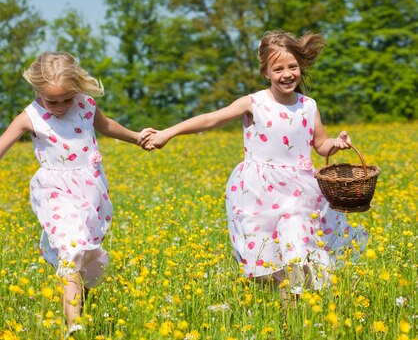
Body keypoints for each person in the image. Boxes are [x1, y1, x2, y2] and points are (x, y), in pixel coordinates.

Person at [143, 31, 368, 300]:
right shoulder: (254, 103)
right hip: (258, 193)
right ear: (266, 73)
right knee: (264, 267)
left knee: (297, 253)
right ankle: (286, 301)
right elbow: (211, 119)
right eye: (278, 69)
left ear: (301, 66)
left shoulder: (308, 106)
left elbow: (320, 145)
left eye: (293, 67)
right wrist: (169, 132)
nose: (287, 74)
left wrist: (337, 142)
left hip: (299, 194)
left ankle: (293, 318)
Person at [0, 51, 151, 334]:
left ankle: (80, 314)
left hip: (91, 191)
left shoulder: (86, 104)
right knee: (71, 250)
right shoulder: (30, 116)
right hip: (55, 192)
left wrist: (137, 137)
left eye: (67, 98)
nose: (60, 106)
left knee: (86, 256)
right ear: (36, 89)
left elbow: (106, 126)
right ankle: (73, 326)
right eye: (52, 100)